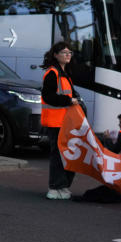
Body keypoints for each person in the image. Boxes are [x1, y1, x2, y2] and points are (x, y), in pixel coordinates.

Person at [40, 41, 82, 200]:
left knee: (67, 155)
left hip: (66, 122)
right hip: (55, 122)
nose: (68, 54)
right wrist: (68, 100)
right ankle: (55, 187)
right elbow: (48, 96)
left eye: (69, 52)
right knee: (58, 155)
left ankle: (63, 186)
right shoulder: (53, 73)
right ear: (56, 55)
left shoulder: (64, 73)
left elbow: (69, 94)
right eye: (64, 52)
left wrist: (74, 98)